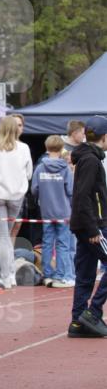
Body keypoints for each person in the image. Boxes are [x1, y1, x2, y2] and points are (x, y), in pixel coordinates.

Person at [67, 115, 107, 338]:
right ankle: (92, 312)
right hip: (92, 226)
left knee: (85, 274)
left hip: (83, 224)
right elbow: (83, 196)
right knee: (87, 272)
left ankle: (77, 323)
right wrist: (93, 229)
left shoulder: (86, 157)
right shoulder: (91, 160)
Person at [0, 115, 33, 289]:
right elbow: (28, 172)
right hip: (16, 195)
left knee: (3, 236)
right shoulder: (24, 148)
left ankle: (6, 275)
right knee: (7, 236)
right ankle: (9, 274)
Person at [31, 135, 74, 288]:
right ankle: (61, 275)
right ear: (61, 148)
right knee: (63, 244)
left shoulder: (40, 167)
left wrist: (42, 198)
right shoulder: (66, 169)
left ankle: (47, 274)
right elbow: (70, 190)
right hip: (64, 212)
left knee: (47, 243)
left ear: (46, 147)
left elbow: (34, 189)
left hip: (47, 212)